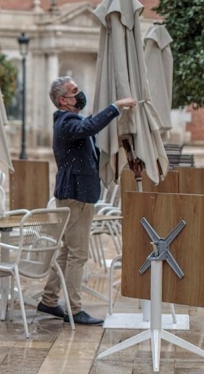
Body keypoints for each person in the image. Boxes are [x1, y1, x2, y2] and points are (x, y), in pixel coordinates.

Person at [38, 76, 137, 326]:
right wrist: (115, 107)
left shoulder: (67, 120)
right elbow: (89, 127)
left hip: (73, 194)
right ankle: (75, 309)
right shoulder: (67, 122)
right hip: (76, 196)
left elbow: (89, 130)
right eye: (75, 91)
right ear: (63, 100)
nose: (80, 94)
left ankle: (49, 300)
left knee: (66, 251)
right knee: (78, 255)